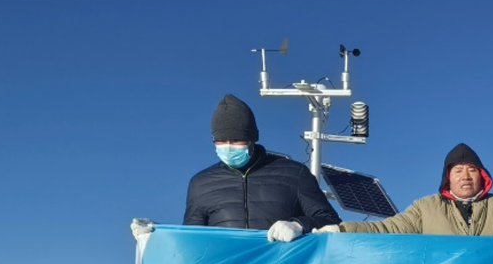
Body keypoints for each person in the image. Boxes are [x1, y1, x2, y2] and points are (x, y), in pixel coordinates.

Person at [131, 93, 341, 241]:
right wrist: (156, 234)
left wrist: (298, 225)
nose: (229, 147)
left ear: (252, 139)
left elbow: (331, 222)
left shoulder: (294, 174)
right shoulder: (201, 183)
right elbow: (192, 240)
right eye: (221, 141)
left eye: (237, 140)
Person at [314, 143, 493, 237]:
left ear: (482, 175)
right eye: (458, 170)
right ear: (448, 177)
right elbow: (387, 229)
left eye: (472, 170)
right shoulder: (425, 208)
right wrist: (342, 230)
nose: (465, 176)